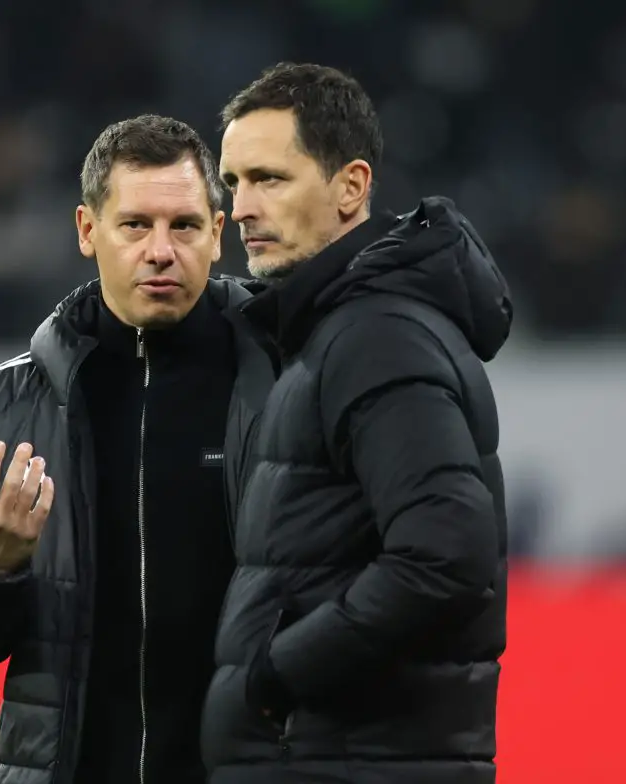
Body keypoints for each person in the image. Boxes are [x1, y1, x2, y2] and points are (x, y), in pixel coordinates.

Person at [0, 114, 275, 784]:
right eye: (135, 225)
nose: (161, 250)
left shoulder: (285, 387)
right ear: (87, 229)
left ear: (219, 234)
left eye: (185, 226)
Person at [202, 63, 513, 784]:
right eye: (233, 183)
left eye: (269, 179)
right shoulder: (338, 330)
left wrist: (279, 673)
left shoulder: (375, 338)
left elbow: (445, 556)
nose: (240, 208)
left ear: (351, 187)